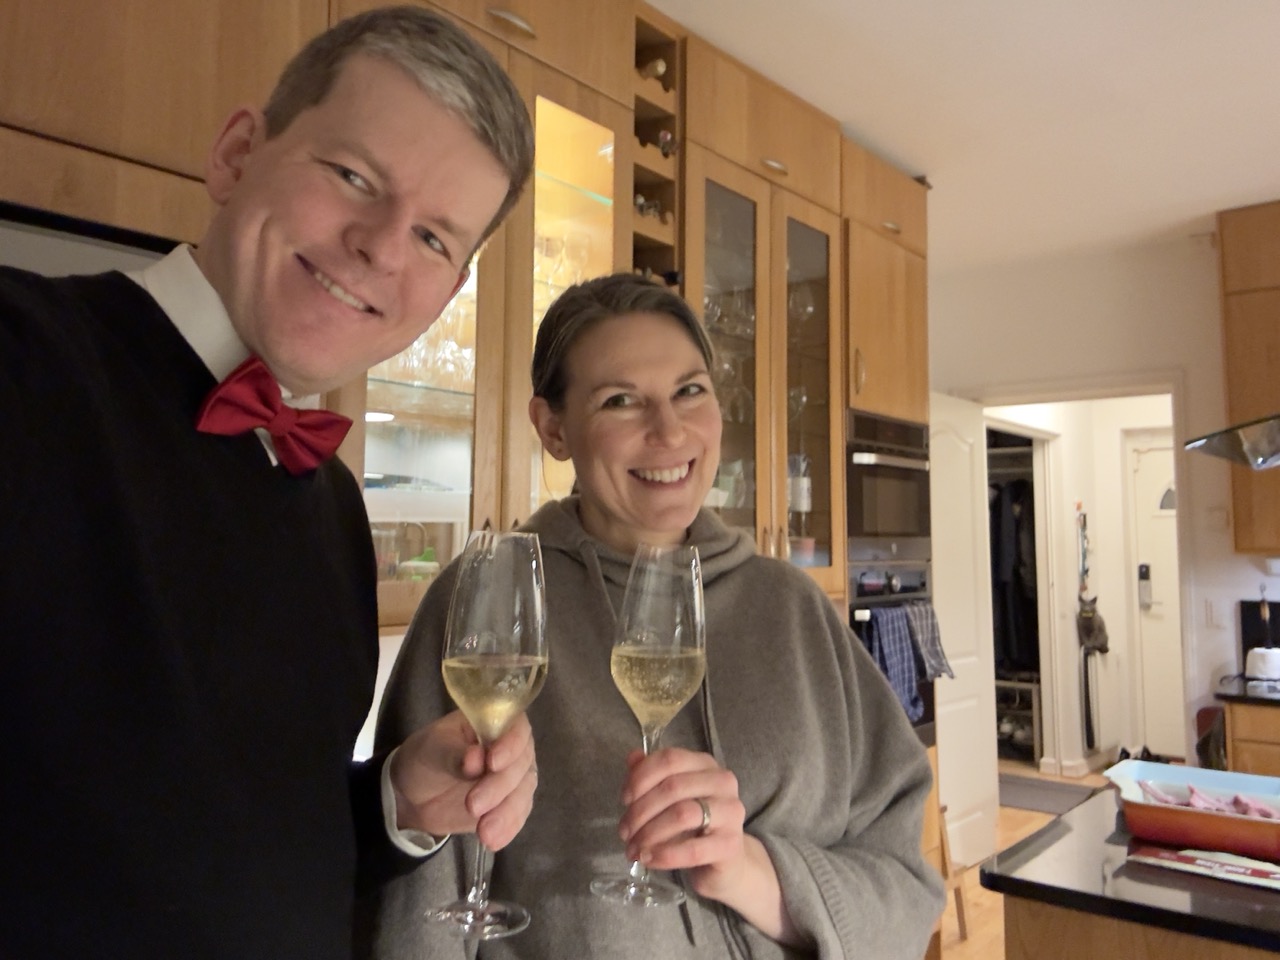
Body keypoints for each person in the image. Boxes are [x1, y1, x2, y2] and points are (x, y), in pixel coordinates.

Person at [0, 7, 538, 959]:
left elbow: (251, 843)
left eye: (433, 238)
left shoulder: (333, 508)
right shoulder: (20, 357)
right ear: (237, 154)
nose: (381, 247)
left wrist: (398, 801)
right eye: (354, 177)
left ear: (448, 295)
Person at [364, 274, 945, 959]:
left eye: (690, 391)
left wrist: (754, 873)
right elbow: (418, 918)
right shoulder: (485, 603)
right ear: (553, 429)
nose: (669, 431)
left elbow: (909, 889)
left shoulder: (795, 610)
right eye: (620, 401)